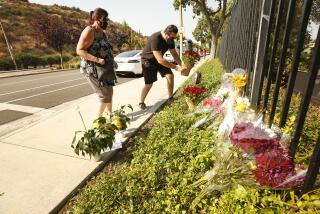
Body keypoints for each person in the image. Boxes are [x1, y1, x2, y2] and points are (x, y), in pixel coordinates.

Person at [76, 8, 117, 117]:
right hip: (92, 69)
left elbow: (107, 49)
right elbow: (79, 50)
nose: (107, 21)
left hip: (104, 69)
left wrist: (113, 61)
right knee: (104, 95)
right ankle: (99, 122)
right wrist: (97, 59)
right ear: (98, 18)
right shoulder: (89, 30)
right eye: (105, 19)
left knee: (109, 93)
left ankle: (110, 116)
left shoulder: (102, 33)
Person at [139, 24, 186, 110]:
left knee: (170, 76)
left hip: (159, 60)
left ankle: (170, 98)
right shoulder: (155, 39)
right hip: (148, 61)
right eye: (171, 38)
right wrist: (176, 67)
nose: (172, 40)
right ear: (166, 33)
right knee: (149, 84)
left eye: (174, 38)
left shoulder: (170, 40)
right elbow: (160, 60)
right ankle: (141, 102)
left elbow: (174, 54)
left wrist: (182, 65)